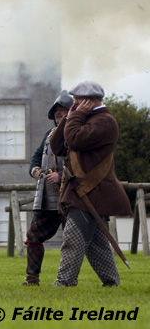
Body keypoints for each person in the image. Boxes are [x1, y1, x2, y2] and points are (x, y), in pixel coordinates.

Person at [49, 81, 132, 287]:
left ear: (90, 101)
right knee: (97, 244)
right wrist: (69, 116)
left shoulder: (105, 121)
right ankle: (112, 283)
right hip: (82, 191)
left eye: (78, 100)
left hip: (92, 190)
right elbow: (57, 146)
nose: (74, 104)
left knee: (73, 238)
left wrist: (74, 116)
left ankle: (64, 282)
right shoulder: (83, 118)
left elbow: (75, 140)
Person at [22, 90, 72, 286]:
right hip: (48, 198)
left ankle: (68, 280)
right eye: (57, 112)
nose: (59, 114)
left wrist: (62, 175)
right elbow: (35, 158)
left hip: (71, 197)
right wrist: (34, 170)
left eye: (63, 110)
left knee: (76, 242)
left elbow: (82, 162)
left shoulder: (77, 133)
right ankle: (32, 278)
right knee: (33, 236)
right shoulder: (49, 135)